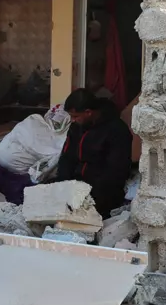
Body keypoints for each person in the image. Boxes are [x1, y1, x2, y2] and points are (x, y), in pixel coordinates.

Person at [56, 89, 134, 217]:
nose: (72, 120)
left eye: (75, 116)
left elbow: (116, 170)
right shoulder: (76, 127)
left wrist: (86, 192)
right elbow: (66, 157)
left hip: (102, 188)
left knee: (83, 214)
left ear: (88, 112)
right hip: (76, 182)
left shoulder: (116, 130)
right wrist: (63, 184)